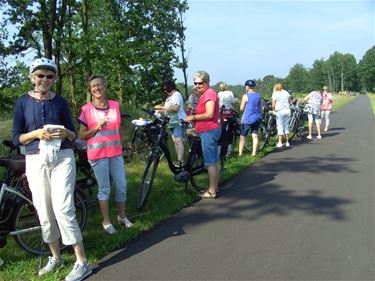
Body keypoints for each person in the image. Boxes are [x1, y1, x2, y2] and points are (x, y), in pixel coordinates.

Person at [11, 58, 92, 281]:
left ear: (54, 79)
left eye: (49, 76)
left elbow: (74, 134)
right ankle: (55, 257)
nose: (44, 80)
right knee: (44, 212)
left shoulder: (61, 102)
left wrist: (66, 133)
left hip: (62, 157)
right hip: (35, 159)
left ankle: (82, 261)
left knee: (64, 208)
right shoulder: (22, 102)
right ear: (32, 77)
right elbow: (16, 137)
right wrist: (36, 134)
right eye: (40, 75)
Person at [78, 74, 133, 235]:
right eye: (93, 86)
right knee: (104, 188)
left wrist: (124, 144)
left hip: (115, 152)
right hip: (97, 154)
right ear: (90, 89)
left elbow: (119, 128)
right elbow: (82, 135)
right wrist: (96, 128)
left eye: (99, 85)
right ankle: (106, 221)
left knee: (122, 186)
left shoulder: (115, 105)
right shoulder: (86, 109)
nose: (97, 88)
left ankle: (122, 217)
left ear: (105, 86)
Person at [185, 71, 221, 198]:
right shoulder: (206, 94)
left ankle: (211, 191)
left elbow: (209, 114)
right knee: (214, 161)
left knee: (210, 162)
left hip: (209, 131)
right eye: (195, 83)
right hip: (208, 130)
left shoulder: (209, 94)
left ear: (207, 82)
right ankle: (214, 187)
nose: (197, 85)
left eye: (200, 83)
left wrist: (193, 117)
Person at [154, 80, 187, 165]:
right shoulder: (169, 97)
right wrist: (158, 111)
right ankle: (179, 160)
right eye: (164, 90)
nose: (165, 91)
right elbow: (167, 110)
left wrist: (161, 107)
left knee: (178, 141)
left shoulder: (176, 95)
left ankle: (180, 161)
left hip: (178, 121)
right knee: (176, 141)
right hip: (172, 122)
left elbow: (175, 108)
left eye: (166, 89)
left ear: (170, 87)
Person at [238, 79, 263, 157]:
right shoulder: (259, 95)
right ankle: (254, 153)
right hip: (257, 118)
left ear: (247, 87)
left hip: (248, 119)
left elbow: (241, 108)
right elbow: (261, 107)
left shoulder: (245, 96)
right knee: (255, 135)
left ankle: (240, 154)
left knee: (242, 136)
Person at [272, 83, 292, 148]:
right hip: (287, 110)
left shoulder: (275, 93)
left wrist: (273, 110)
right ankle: (287, 142)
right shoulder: (286, 93)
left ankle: (280, 142)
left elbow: (273, 105)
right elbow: (290, 103)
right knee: (286, 126)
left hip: (280, 111)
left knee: (280, 127)